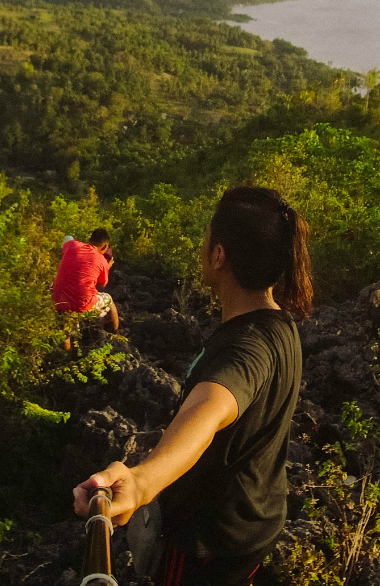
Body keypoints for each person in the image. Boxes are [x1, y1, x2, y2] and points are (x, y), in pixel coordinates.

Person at [73, 187, 311, 586]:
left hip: (210, 540)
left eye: (206, 240)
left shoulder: (247, 348)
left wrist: (143, 481)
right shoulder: (279, 323)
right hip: (257, 518)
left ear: (219, 256)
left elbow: (210, 407)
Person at [53, 228, 119, 349]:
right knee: (109, 300)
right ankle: (115, 337)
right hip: (82, 304)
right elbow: (102, 283)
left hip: (59, 300)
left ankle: (65, 358)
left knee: (66, 331)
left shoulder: (72, 245)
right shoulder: (102, 261)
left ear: (89, 240)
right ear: (104, 247)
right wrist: (107, 266)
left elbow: (67, 237)